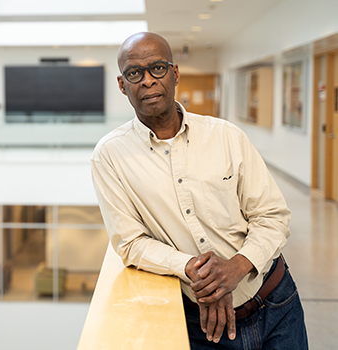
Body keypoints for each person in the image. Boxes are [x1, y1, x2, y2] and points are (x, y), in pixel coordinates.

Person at [91, 32, 308, 349]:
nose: (148, 80)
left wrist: (234, 269)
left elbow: (272, 216)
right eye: (134, 73)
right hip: (201, 325)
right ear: (123, 85)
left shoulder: (226, 137)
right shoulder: (110, 156)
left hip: (275, 305)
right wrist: (193, 269)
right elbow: (130, 242)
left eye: (158, 68)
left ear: (174, 73)